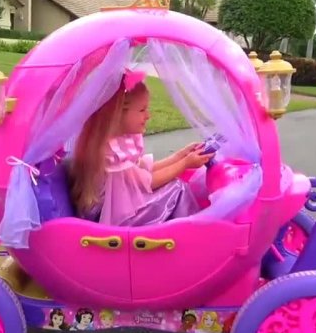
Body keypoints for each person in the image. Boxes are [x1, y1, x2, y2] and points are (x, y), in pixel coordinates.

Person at [69, 69, 213, 226]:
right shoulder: (111, 153)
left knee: (174, 185)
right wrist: (185, 163)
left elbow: (143, 172)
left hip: (120, 209)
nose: (148, 115)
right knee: (178, 189)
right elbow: (148, 182)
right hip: (112, 219)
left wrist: (181, 156)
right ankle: (194, 231)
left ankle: (184, 228)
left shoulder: (114, 141)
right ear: (117, 114)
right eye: (142, 110)